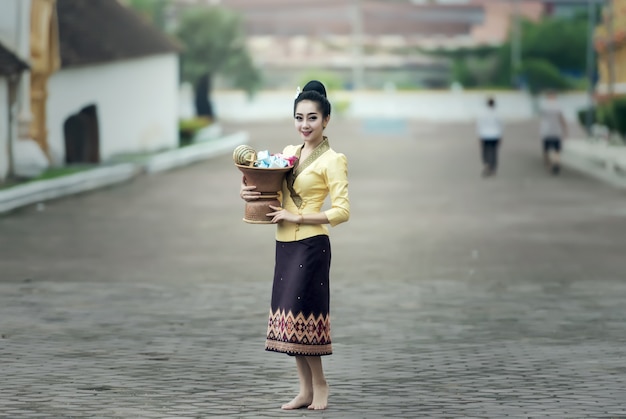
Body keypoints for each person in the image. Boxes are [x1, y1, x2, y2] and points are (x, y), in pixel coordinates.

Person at [239, 80, 350, 410]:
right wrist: (247, 191)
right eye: (299, 117)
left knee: (306, 315)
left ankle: (321, 384)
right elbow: (266, 186)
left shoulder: (333, 160)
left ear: (326, 120)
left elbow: (342, 211)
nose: (305, 125)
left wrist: (300, 217)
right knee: (289, 319)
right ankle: (304, 390)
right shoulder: (288, 154)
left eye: (312, 118)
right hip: (285, 244)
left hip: (312, 243)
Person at [539, 90, 568, 175]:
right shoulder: (558, 106)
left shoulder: (544, 105)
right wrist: (565, 129)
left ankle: (548, 165)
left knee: (546, 150)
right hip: (556, 131)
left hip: (546, 131)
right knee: (557, 150)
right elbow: (561, 118)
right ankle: (556, 162)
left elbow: (541, 116)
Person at [475, 96, 503, 177]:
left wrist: (478, 135)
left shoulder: (482, 113)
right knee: (494, 152)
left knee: (485, 151)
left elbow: (479, 125)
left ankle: (487, 164)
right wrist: (501, 135)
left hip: (485, 135)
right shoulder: (497, 113)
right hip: (495, 135)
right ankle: (493, 167)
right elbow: (501, 125)